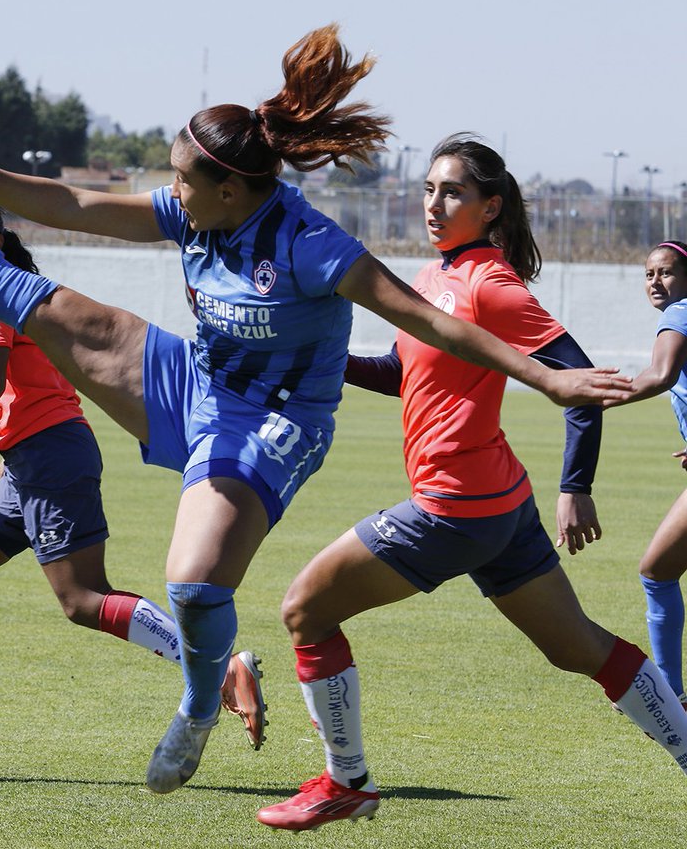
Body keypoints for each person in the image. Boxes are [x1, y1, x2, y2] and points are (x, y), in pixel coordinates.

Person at [0, 25, 628, 794]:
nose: (171, 192)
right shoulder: (194, 208)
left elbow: (431, 322)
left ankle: (199, 703)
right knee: (18, 294)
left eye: (183, 180)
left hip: (275, 423)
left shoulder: (311, 244)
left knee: (192, 585)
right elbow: (71, 201)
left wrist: (548, 380)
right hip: (192, 381)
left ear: (230, 189)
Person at [253, 135, 687, 832]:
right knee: (579, 648)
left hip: (455, 506)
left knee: (306, 609)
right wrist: (319, 363)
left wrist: (576, 486)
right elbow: (400, 374)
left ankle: (347, 782)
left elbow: (579, 384)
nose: (434, 203)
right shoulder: (431, 277)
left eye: (452, 191)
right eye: (428, 189)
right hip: (498, 504)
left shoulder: (491, 284)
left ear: (490, 207)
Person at [0, 191, 267, 760]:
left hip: (50, 457)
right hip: (33, 460)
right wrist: (11, 449)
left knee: (84, 599)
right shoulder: (9, 292)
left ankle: (221, 666)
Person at [612, 239, 687, 708]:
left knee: (657, 572)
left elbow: (661, 374)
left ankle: (670, 697)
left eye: (666, 272)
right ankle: (672, 695)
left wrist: (596, 396)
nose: (655, 281)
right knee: (658, 571)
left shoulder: (679, 314)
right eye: (648, 274)